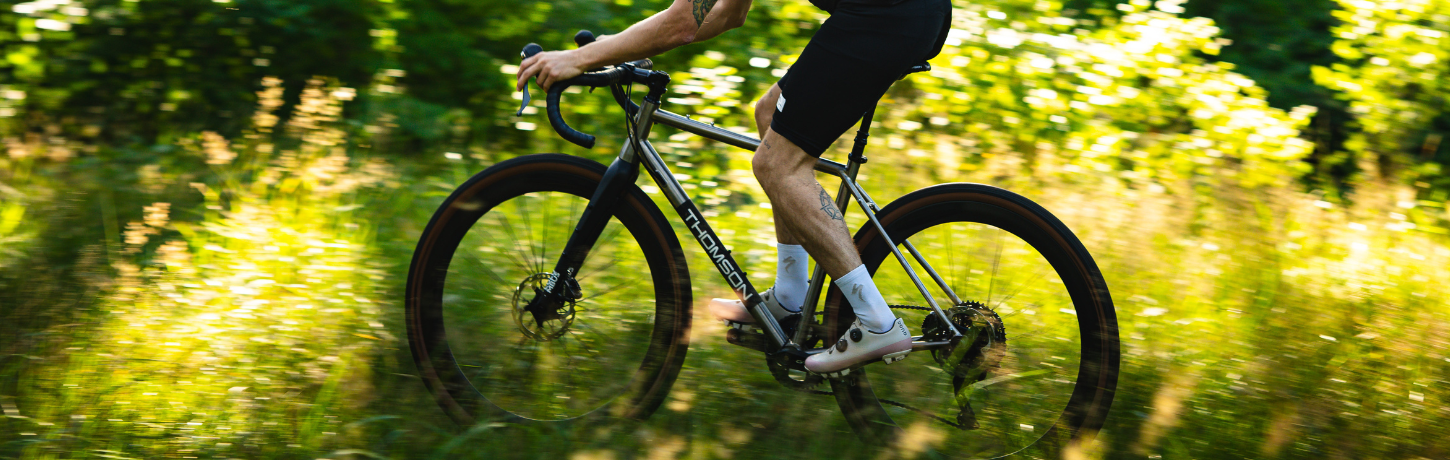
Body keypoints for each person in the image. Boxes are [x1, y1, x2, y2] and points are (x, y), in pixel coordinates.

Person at [516, 0, 950, 374]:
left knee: (777, 165)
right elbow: (725, 12)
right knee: (769, 116)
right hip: (897, 15)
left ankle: (877, 321)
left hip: (886, 17)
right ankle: (791, 294)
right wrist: (607, 47)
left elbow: (684, 21)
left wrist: (579, 59)